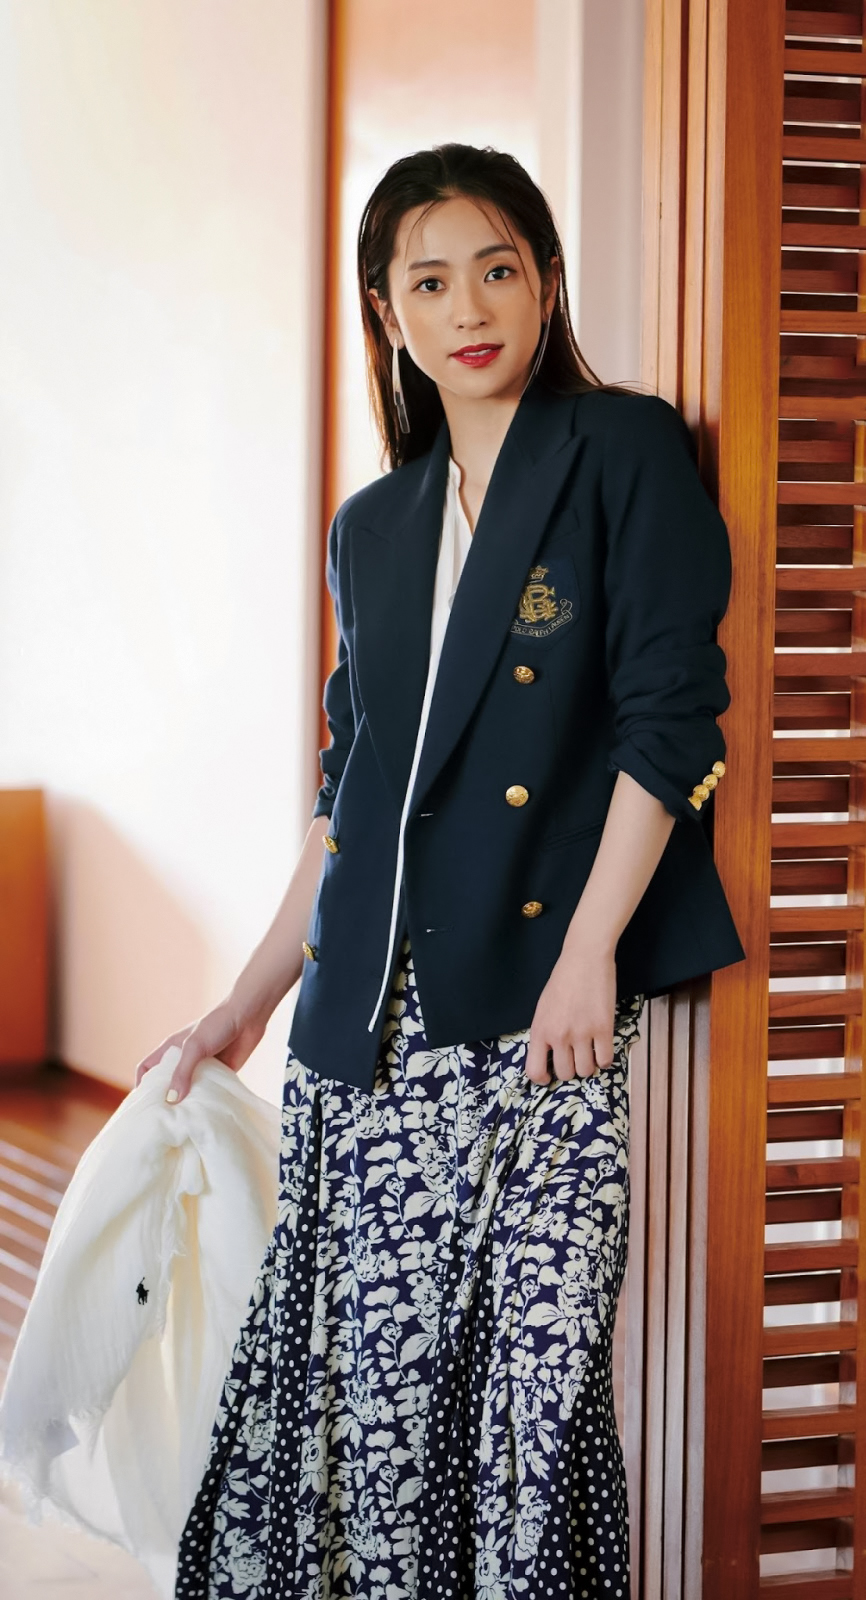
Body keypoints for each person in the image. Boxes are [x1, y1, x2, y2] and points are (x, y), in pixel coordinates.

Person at [137, 142, 744, 1600]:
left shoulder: (622, 451)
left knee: (538, 1389)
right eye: (428, 281)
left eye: (497, 268)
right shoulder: (375, 525)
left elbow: (670, 724)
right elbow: (349, 801)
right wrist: (240, 1009)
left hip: (542, 1014)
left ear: (545, 280)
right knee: (379, 1410)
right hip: (368, 1032)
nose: (468, 308)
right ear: (386, 308)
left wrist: (590, 952)